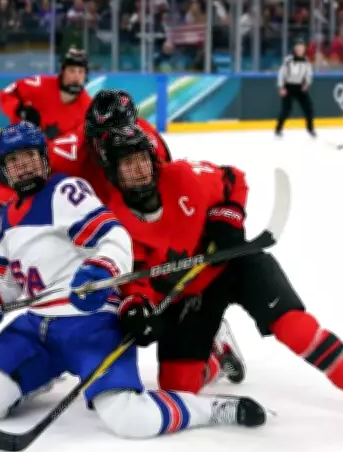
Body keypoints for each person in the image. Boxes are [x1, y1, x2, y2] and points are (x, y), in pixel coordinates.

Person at [0, 121, 267, 438]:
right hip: (37, 328)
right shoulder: (3, 221)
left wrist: (101, 270)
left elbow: (114, 237)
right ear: (3, 170)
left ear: (44, 158)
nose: (22, 167)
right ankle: (44, 373)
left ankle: (214, 409)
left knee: (131, 420)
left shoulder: (65, 192)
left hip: (92, 323)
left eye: (29, 156)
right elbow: (8, 277)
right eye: (13, 160)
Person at [85, 123, 343, 404]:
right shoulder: (114, 223)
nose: (140, 169)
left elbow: (233, 178)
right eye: (128, 163)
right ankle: (220, 354)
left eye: (143, 159)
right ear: (112, 172)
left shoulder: (183, 176)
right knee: (177, 388)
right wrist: (138, 309)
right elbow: (136, 278)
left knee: (295, 328)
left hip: (234, 264)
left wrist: (226, 216)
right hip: (191, 294)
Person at [83, 90, 247, 388]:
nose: (104, 142)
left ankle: (213, 338)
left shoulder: (148, 144)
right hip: (113, 225)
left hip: (148, 232)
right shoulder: (93, 147)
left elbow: (168, 195)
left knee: (169, 291)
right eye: (99, 135)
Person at [0, 47, 91, 258]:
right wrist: (19, 111)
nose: (76, 77)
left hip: (53, 161)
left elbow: (81, 141)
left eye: (80, 72)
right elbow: (7, 94)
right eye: (72, 71)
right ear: (62, 70)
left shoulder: (86, 107)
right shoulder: (39, 85)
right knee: (3, 194)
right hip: (20, 150)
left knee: (48, 204)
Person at [275, 38, 315, 138]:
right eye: (298, 47)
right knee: (286, 110)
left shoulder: (306, 61)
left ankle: (310, 129)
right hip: (288, 86)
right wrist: (281, 87)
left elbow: (309, 75)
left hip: (300, 87)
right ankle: (278, 129)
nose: (300, 49)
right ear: (295, 48)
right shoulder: (288, 60)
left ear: (304, 49)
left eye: (301, 47)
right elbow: (281, 74)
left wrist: (306, 84)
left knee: (309, 108)